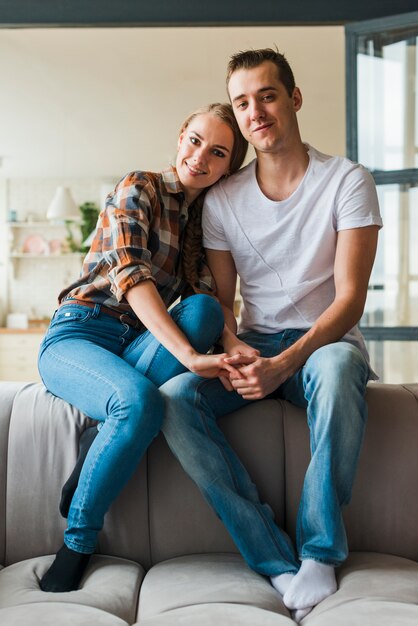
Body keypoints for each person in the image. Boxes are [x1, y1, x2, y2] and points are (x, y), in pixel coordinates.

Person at [160, 48, 382, 622]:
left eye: (267, 95)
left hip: (324, 344)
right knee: (176, 399)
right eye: (242, 102)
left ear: (294, 99)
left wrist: (286, 363)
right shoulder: (223, 200)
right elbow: (223, 301)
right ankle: (272, 557)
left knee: (334, 369)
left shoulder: (348, 180)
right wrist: (233, 346)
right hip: (255, 344)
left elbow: (350, 298)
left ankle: (319, 552)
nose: (255, 110)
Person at [37, 102, 248, 593]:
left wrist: (234, 345)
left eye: (217, 153)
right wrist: (193, 358)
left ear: (227, 166)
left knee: (204, 312)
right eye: (195, 141)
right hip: (81, 332)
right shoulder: (140, 186)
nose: (200, 158)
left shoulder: (202, 226)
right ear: (181, 136)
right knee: (138, 402)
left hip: (137, 347)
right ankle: (77, 543)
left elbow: (208, 300)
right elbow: (131, 276)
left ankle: (100, 441)